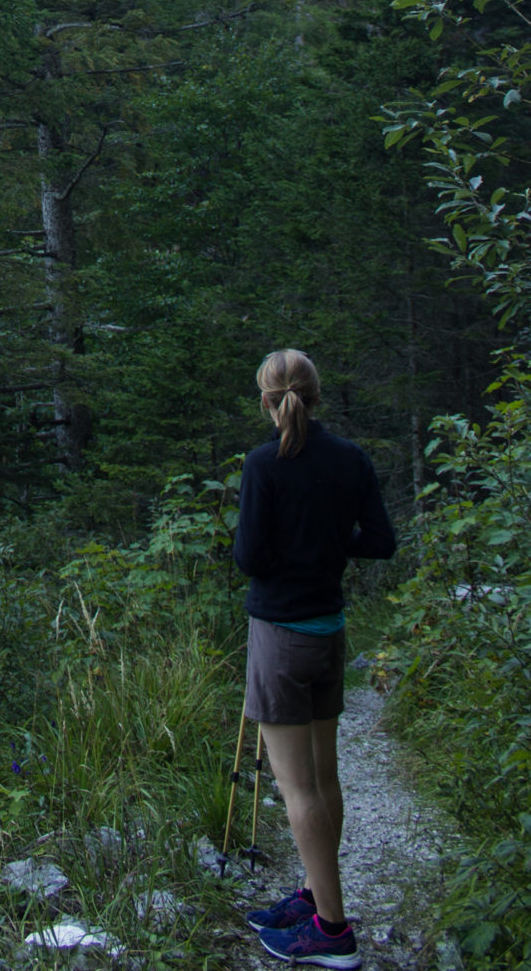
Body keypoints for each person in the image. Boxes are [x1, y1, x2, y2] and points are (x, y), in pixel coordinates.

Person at [231, 349, 397, 969]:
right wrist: (327, 541)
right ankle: (313, 893)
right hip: (329, 632)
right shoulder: (350, 459)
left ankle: (331, 932)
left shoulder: (264, 464)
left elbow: (249, 557)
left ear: (268, 399)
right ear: (316, 395)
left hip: (280, 634)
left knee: (297, 789)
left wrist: (291, 546)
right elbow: (380, 541)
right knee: (325, 779)